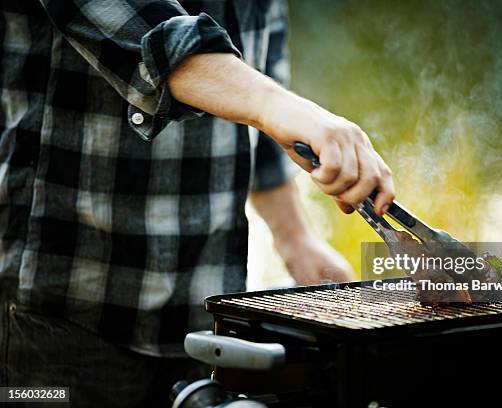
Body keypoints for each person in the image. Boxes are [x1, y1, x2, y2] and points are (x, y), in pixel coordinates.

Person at [0, 0, 395, 406]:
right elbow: (155, 37)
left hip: (209, 314)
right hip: (65, 310)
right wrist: (279, 107)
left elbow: (261, 66)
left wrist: (293, 235)